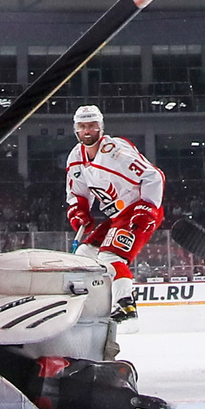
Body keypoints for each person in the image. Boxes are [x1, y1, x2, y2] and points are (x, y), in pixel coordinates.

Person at [64, 104, 164, 319]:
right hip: (117, 216)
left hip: (138, 213)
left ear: (100, 127)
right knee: (85, 255)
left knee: (110, 256)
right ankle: (95, 303)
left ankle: (126, 306)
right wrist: (79, 210)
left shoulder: (115, 153)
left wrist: (147, 208)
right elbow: (77, 192)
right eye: (82, 126)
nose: (87, 131)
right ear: (76, 130)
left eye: (92, 125)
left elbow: (154, 176)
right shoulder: (76, 157)